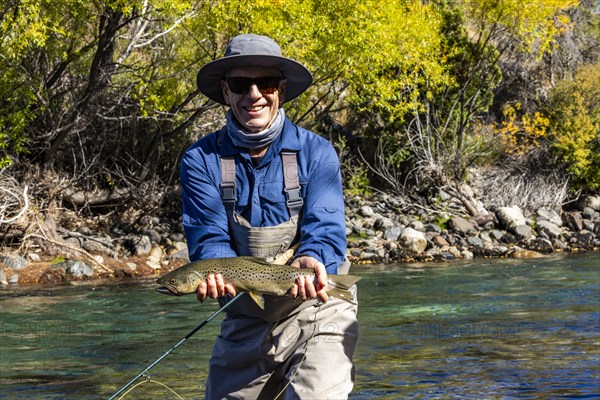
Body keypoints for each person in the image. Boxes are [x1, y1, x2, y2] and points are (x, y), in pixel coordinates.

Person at [180, 33, 358, 399]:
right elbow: (208, 237)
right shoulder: (200, 160)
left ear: (281, 90)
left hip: (317, 306)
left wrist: (315, 259)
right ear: (226, 93)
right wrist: (217, 271)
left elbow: (325, 229)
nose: (254, 94)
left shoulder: (317, 153)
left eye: (267, 83)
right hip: (245, 317)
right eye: (241, 84)